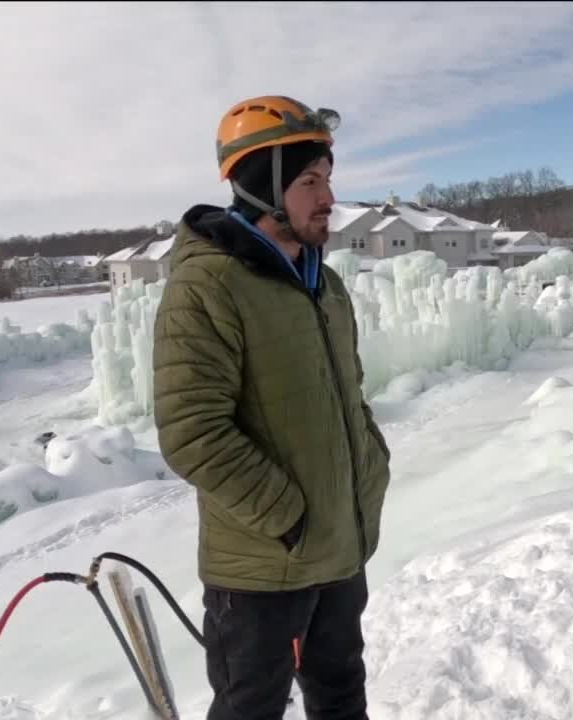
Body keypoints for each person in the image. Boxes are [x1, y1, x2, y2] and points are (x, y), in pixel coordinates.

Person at [152, 95, 391, 720]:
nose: (328, 197)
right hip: (264, 573)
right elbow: (192, 431)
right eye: (309, 181)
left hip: (340, 553)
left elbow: (351, 399)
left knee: (342, 697)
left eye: (328, 179)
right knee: (250, 710)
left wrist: (371, 471)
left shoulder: (325, 285)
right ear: (262, 187)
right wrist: (292, 516)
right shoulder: (209, 285)